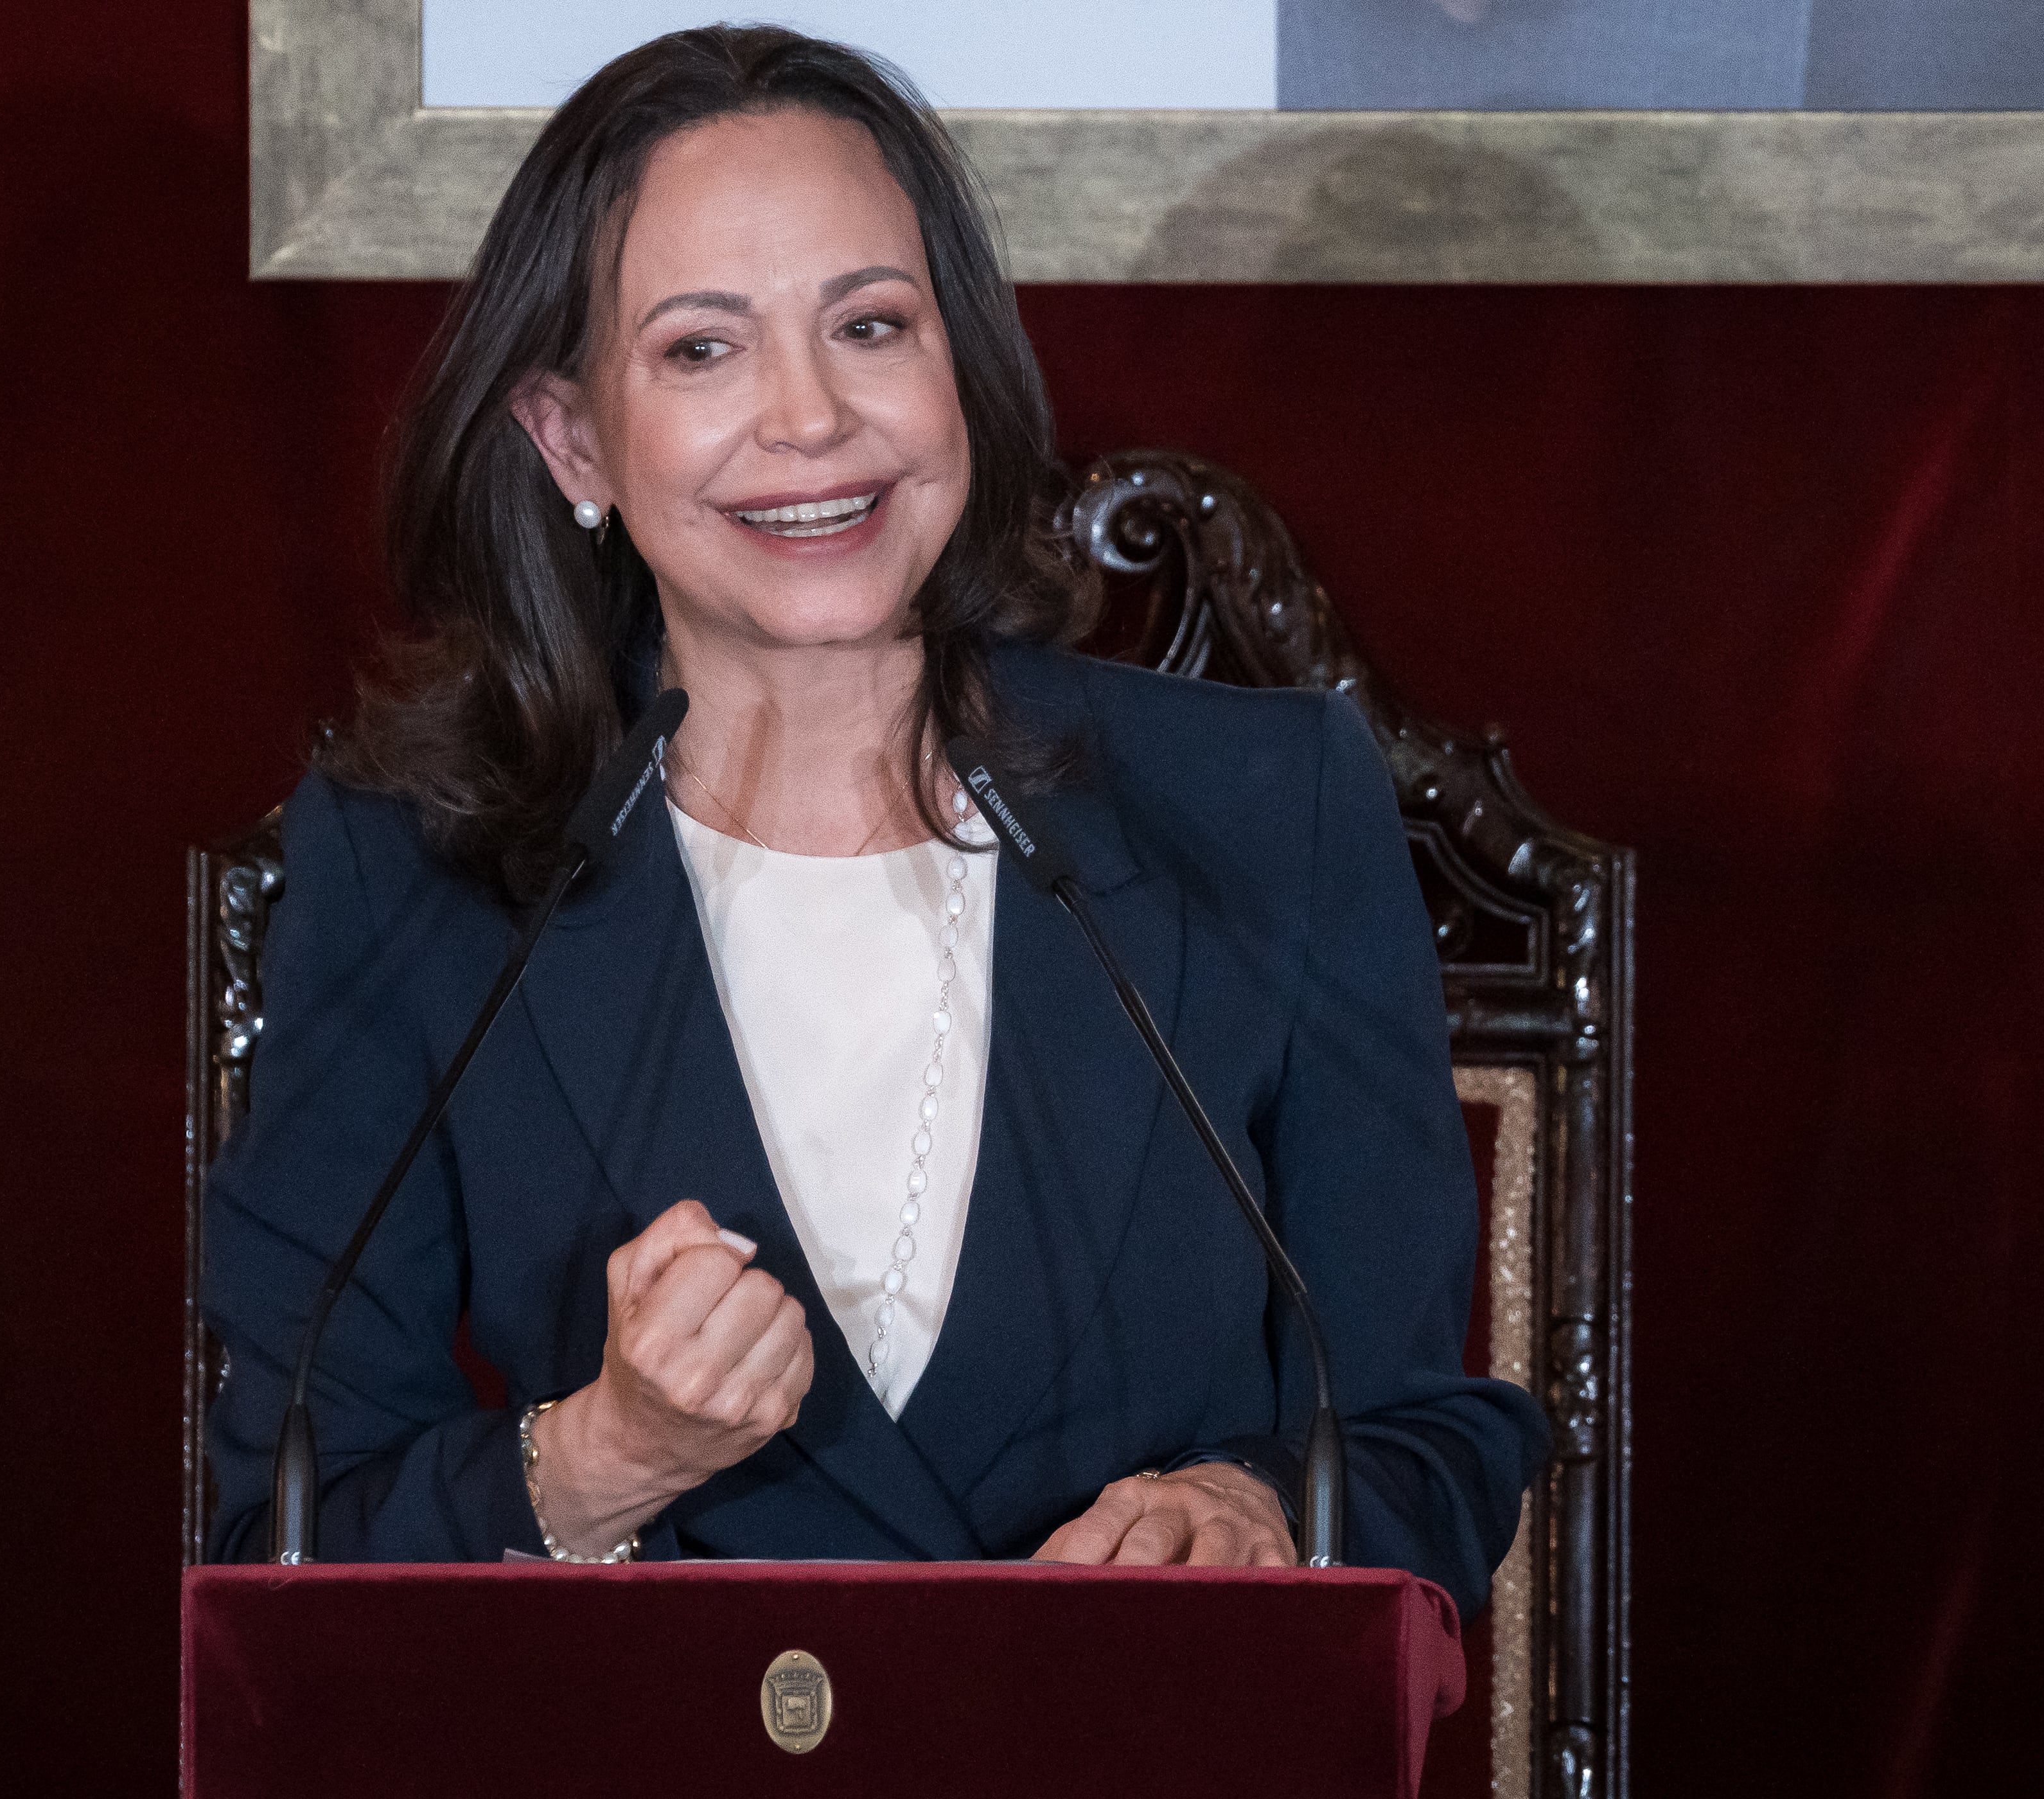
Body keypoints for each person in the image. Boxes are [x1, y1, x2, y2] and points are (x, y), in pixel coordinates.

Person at [201, 24, 1547, 1611]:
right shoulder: (415, 866)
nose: (811, 417)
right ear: (573, 439)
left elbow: (1428, 1443)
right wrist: (600, 1457)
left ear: (957, 370)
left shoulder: (1269, 812)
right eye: (702, 349)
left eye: (872, 324)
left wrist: (1257, 1507)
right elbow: (279, 1548)